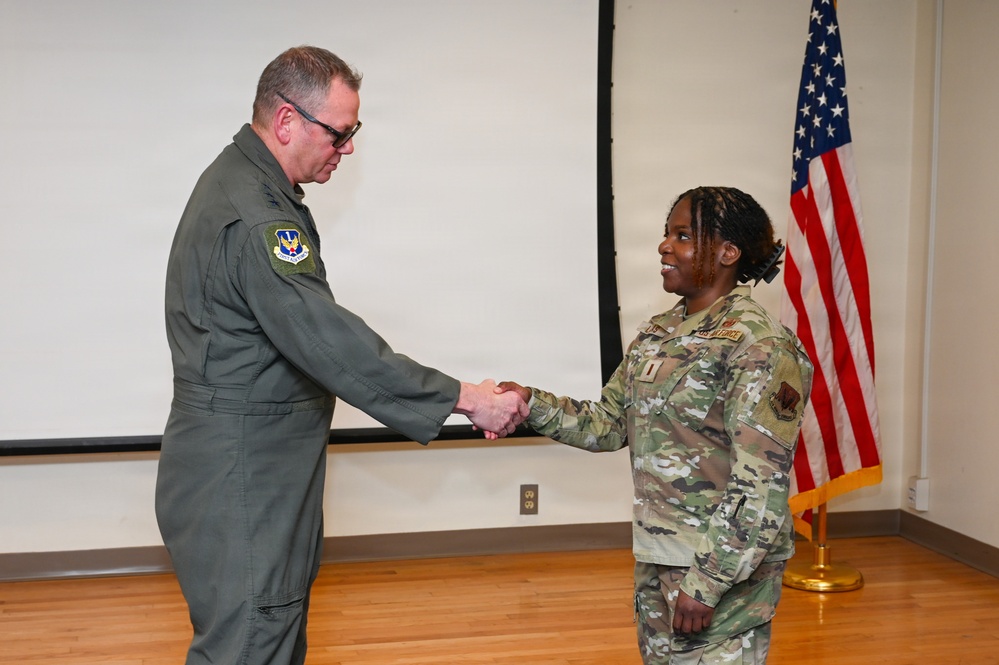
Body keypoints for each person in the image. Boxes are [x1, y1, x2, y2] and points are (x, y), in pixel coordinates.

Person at [156, 45, 528, 665]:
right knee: (253, 641)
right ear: (285, 122)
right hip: (246, 475)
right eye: (339, 133)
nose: (347, 148)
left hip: (245, 466)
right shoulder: (256, 218)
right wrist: (466, 400)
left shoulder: (243, 184)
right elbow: (330, 343)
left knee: (263, 636)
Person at [499, 186, 813, 664]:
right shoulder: (659, 333)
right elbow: (607, 424)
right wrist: (529, 404)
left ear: (728, 252)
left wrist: (707, 584)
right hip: (659, 556)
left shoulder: (759, 344)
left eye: (684, 236)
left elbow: (760, 485)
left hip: (720, 569)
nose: (665, 246)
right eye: (667, 234)